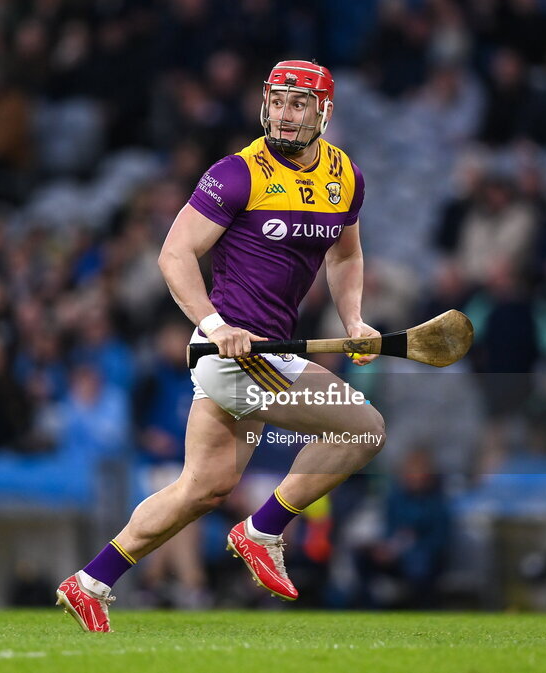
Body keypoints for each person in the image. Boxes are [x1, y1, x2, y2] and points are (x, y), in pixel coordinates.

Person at [56, 60, 386, 631]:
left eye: (298, 105)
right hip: (233, 351)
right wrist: (214, 325)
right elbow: (174, 254)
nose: (284, 116)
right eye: (278, 103)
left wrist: (354, 319)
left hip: (273, 351)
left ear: (323, 112)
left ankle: (90, 581)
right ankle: (261, 531)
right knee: (360, 428)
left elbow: (346, 254)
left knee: (200, 489)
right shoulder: (238, 174)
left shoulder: (346, 178)